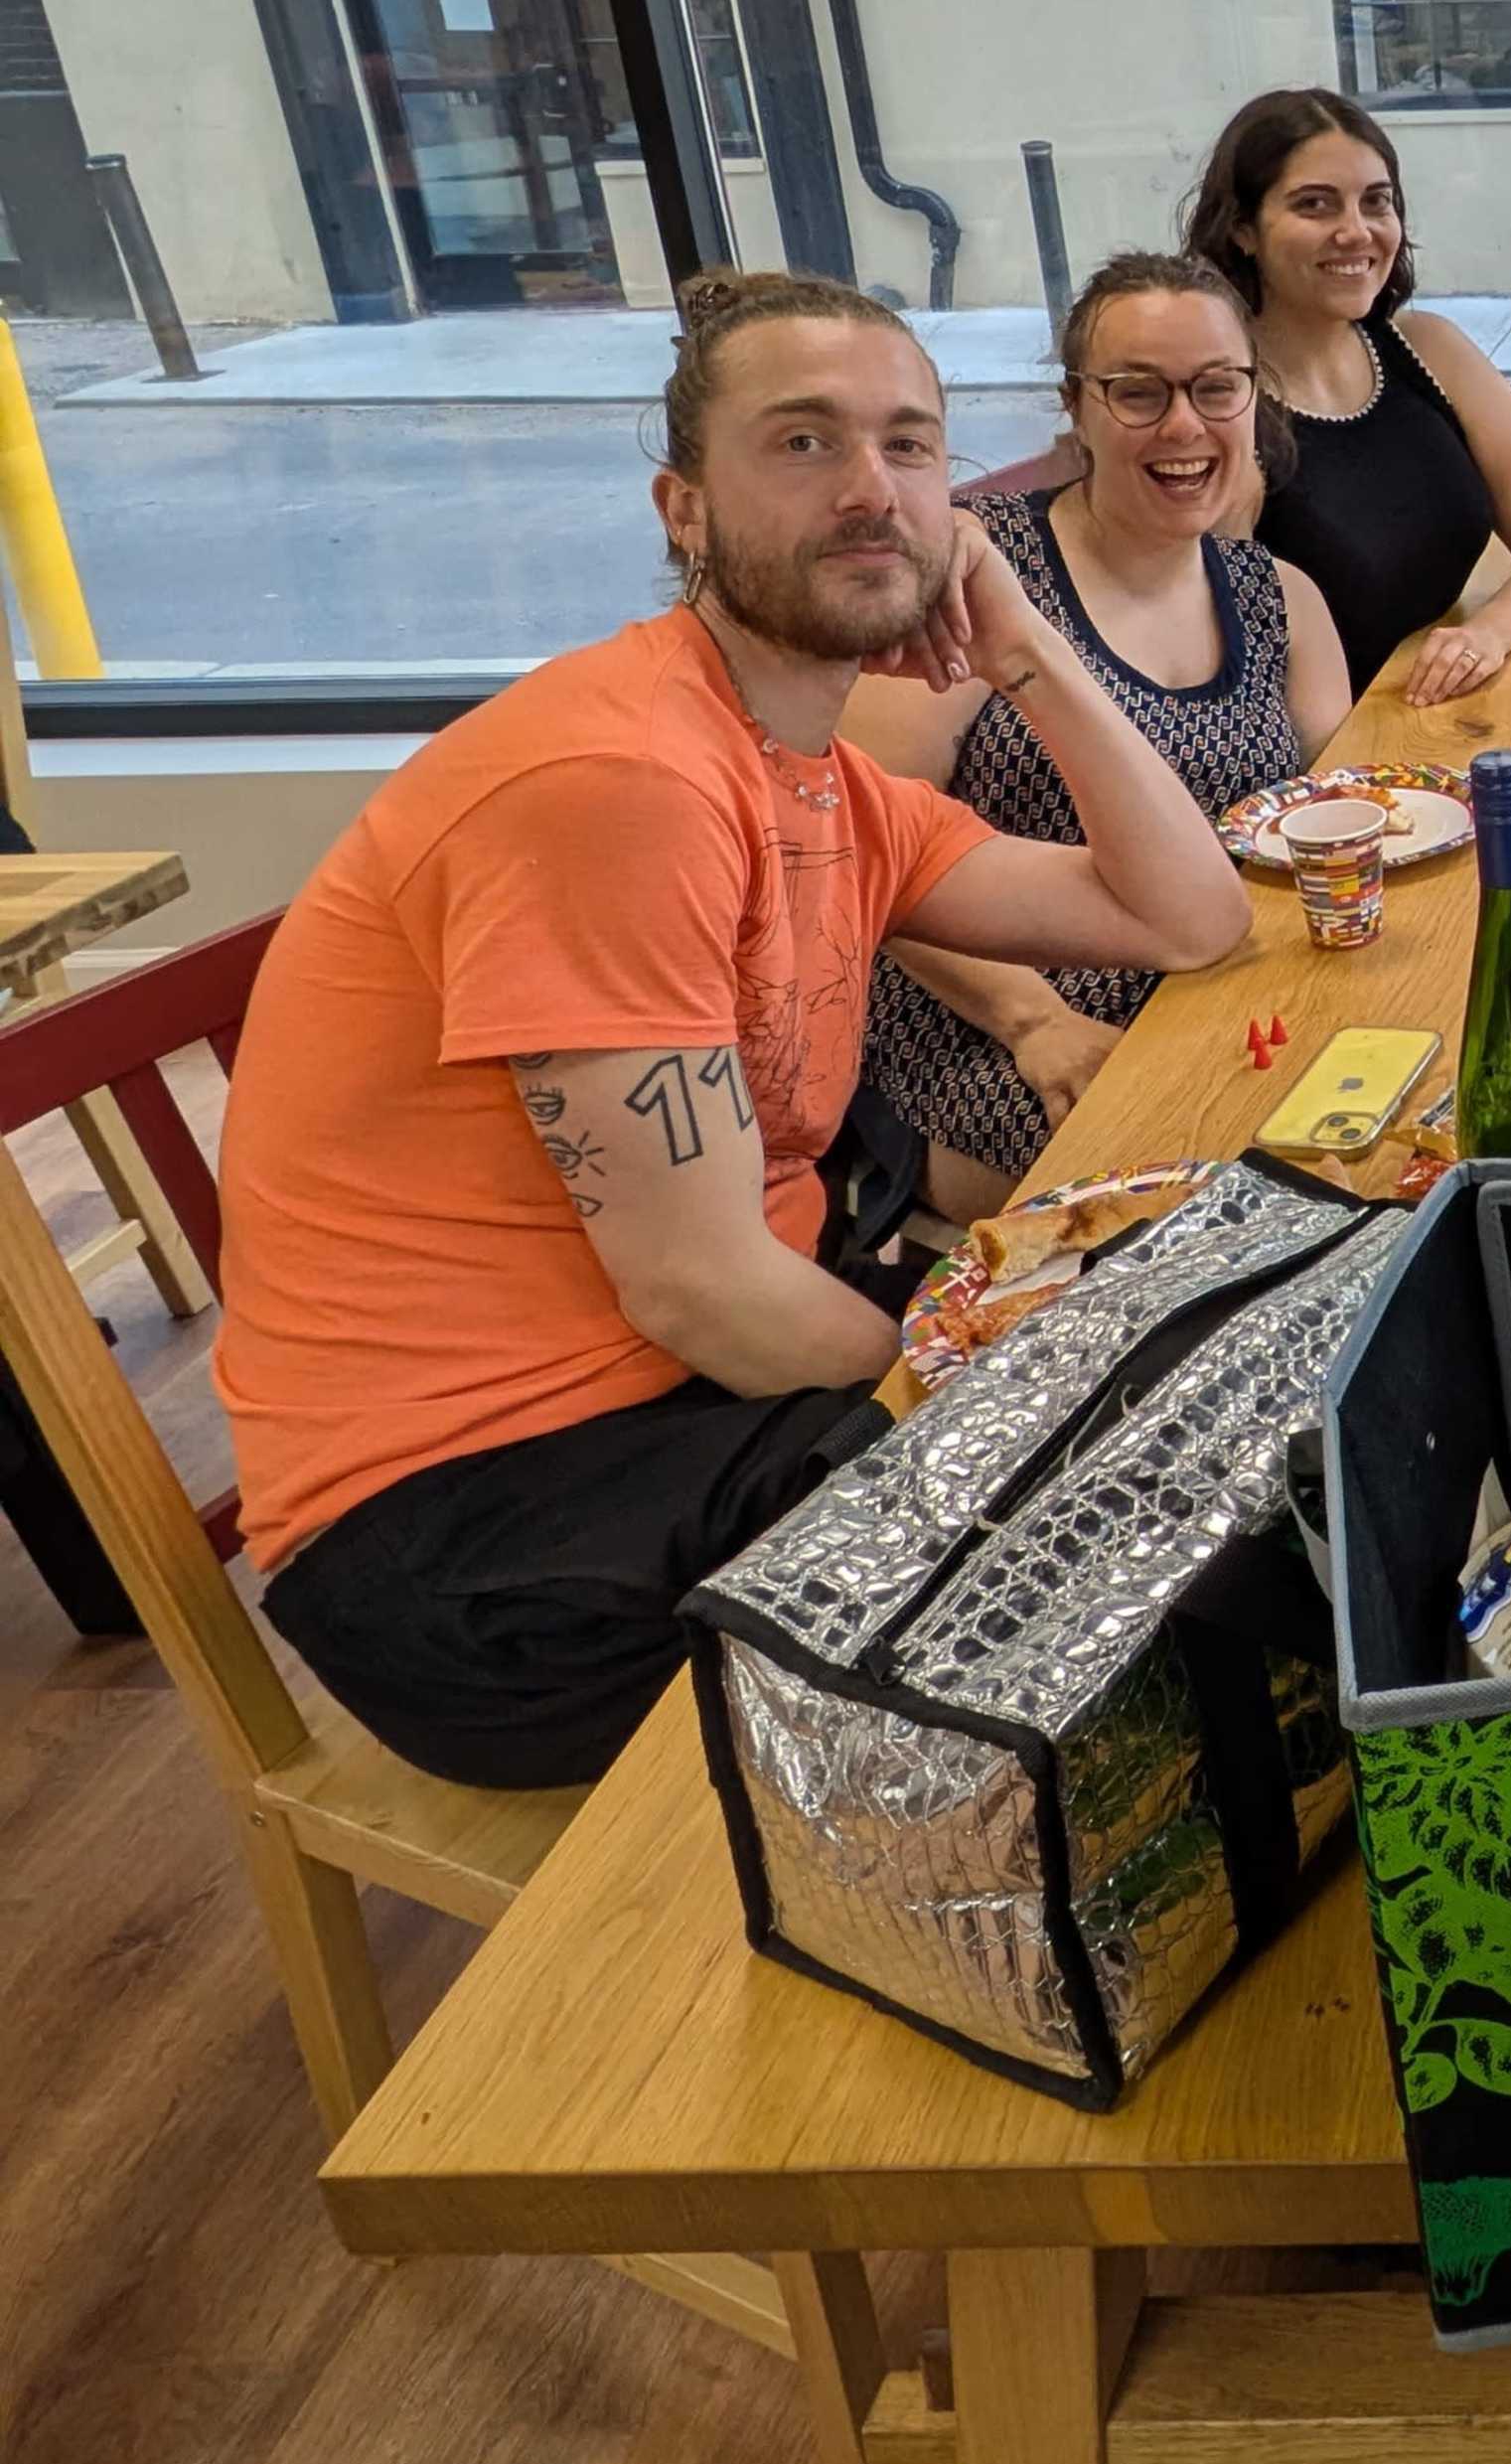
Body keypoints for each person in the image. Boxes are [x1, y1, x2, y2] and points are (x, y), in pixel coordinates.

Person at [213, 271, 1255, 1786]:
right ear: (683, 506)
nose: (870, 490)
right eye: (802, 442)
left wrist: (1023, 648)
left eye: (910, 446)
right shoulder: (618, 780)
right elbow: (703, 1291)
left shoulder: (816, 775)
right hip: (473, 1539)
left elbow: (1188, 916)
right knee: (1138, 1528)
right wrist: (985, 1371)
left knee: (1186, 1386)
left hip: (688, 1405)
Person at [850, 251, 1351, 1216]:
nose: (1183, 425)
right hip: (1000, 1031)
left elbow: (1345, 804)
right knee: (1255, 1198)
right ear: (1077, 406)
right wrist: (1034, 1019)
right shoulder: (974, 574)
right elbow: (862, 853)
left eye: (1215, 388)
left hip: (1214, 991)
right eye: (1137, 392)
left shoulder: (1278, 599)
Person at [1182, 83, 1511, 701]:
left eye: (1375, 203)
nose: (1355, 233)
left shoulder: (1428, 349)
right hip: (1324, 752)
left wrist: (1487, 635)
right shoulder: (1217, 404)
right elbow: (1206, 654)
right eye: (1315, 206)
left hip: (1439, 715)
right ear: (1242, 228)